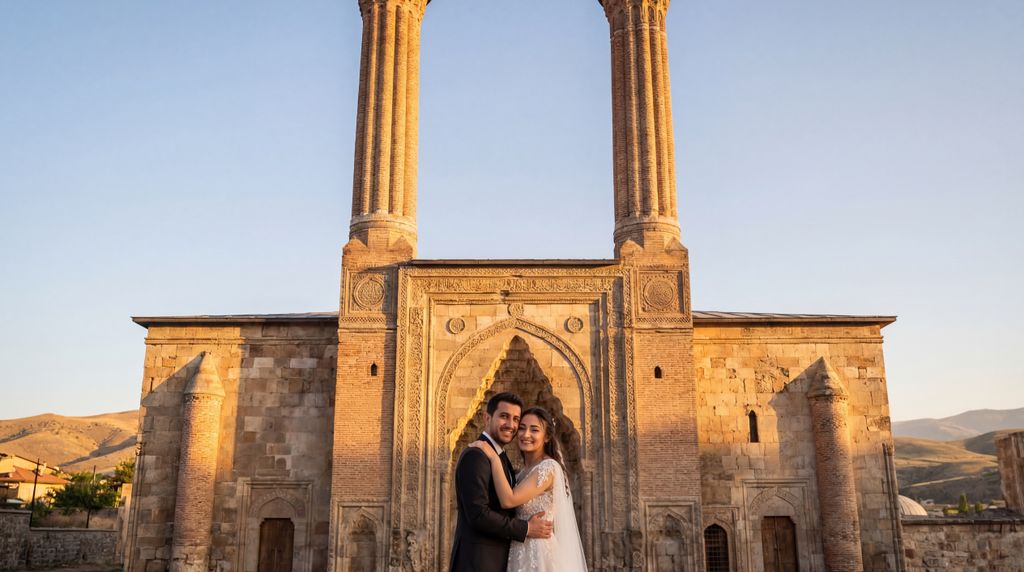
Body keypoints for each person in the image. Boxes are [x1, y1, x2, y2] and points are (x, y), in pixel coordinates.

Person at [469, 406, 588, 572]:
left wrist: (493, 458)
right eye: (522, 428)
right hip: (518, 549)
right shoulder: (521, 472)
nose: (526, 435)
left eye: (534, 430)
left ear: (547, 437)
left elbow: (508, 500)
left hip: (538, 552)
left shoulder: (548, 468)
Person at [450, 392, 553, 572]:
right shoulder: (476, 455)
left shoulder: (500, 458)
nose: (511, 425)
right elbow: (478, 515)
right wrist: (526, 528)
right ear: (487, 418)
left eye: (516, 419)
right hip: (478, 563)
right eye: (504, 416)